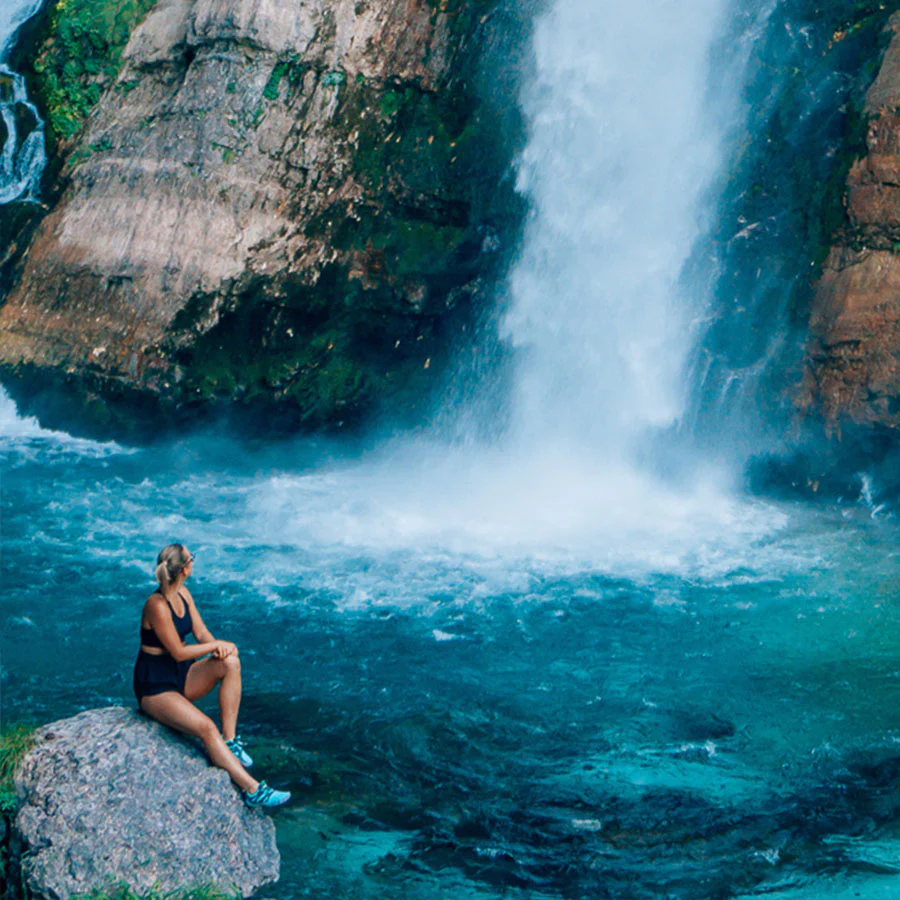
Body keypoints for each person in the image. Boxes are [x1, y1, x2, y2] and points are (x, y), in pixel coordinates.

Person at [133, 542, 290, 809]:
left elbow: (203, 635)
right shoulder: (156, 605)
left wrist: (221, 648)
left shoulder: (184, 594)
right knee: (206, 728)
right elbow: (179, 651)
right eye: (191, 558)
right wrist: (215, 646)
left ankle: (230, 742)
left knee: (230, 662)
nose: (193, 561)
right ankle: (252, 790)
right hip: (155, 686)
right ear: (184, 568)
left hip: (180, 675)